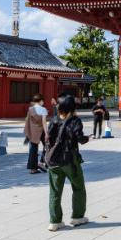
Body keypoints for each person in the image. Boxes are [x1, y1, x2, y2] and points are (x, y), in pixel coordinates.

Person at [45, 96, 90, 232]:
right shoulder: (74, 120)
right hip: (70, 160)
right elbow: (79, 138)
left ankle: (55, 221)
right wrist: (86, 139)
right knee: (78, 188)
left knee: (55, 191)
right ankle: (77, 217)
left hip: (53, 160)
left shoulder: (53, 120)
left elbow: (48, 139)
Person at [25, 94, 48, 173]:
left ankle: (33, 169)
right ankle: (42, 162)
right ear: (41, 101)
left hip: (33, 131)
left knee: (33, 149)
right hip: (41, 130)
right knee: (47, 145)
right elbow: (44, 122)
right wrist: (46, 133)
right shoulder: (43, 109)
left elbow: (28, 122)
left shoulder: (31, 109)